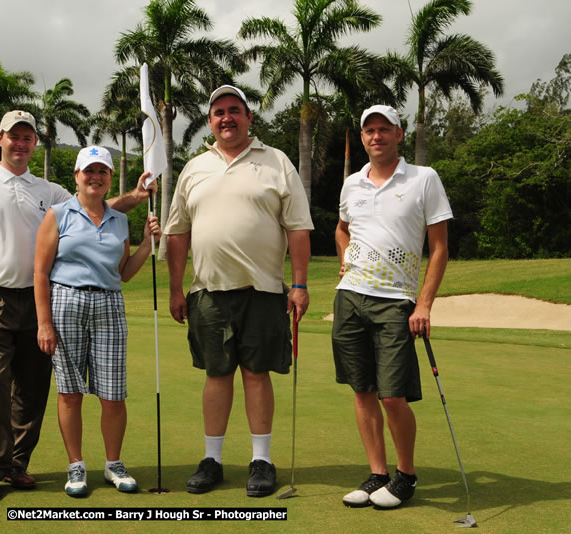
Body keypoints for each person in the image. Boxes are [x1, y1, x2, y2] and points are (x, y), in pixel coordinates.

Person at [0, 112, 155, 501]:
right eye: (13, 136)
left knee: (33, 387)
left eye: (27, 137)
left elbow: (90, 208)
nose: (20, 143)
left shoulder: (49, 191)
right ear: (0, 138)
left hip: (39, 299)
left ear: (36, 143)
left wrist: (134, 198)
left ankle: (17, 464)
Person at [165, 85, 314, 498]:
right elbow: (178, 232)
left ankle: (261, 460)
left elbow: (298, 228)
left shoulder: (276, 161)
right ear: (209, 122)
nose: (226, 118)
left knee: (255, 373)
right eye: (218, 113)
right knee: (216, 375)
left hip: (263, 290)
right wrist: (177, 288)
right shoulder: (195, 168)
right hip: (208, 292)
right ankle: (212, 460)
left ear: (249, 118)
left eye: (235, 110)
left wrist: (299, 284)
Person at [333, 105, 453, 509]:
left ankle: (406, 475)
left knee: (392, 396)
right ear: (363, 136)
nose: (376, 136)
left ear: (399, 134)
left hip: (396, 302)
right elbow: (342, 228)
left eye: (384, 129)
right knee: (362, 390)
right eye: (369, 130)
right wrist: (345, 257)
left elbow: (439, 249)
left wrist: (425, 304)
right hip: (350, 297)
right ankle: (377, 474)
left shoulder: (423, 178)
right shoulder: (352, 184)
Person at [33, 146, 161, 497]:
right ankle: (76, 466)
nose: (95, 177)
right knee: (70, 393)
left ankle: (113, 463)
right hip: (65, 303)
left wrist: (147, 246)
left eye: (102, 171)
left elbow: (123, 274)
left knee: (113, 394)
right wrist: (44, 324)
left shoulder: (120, 221)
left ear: (108, 179)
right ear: (76, 176)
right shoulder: (58, 215)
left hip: (108, 305)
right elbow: (40, 273)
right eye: (88, 171)